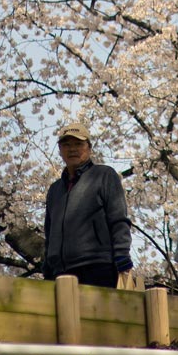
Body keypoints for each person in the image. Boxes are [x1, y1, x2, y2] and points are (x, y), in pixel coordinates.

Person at [43, 122, 133, 288]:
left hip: (97, 266)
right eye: (67, 145)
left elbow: (118, 218)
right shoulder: (55, 189)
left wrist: (121, 254)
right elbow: (49, 232)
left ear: (89, 148)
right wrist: (47, 265)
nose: (72, 149)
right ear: (60, 150)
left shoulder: (104, 175)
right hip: (60, 272)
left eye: (78, 144)